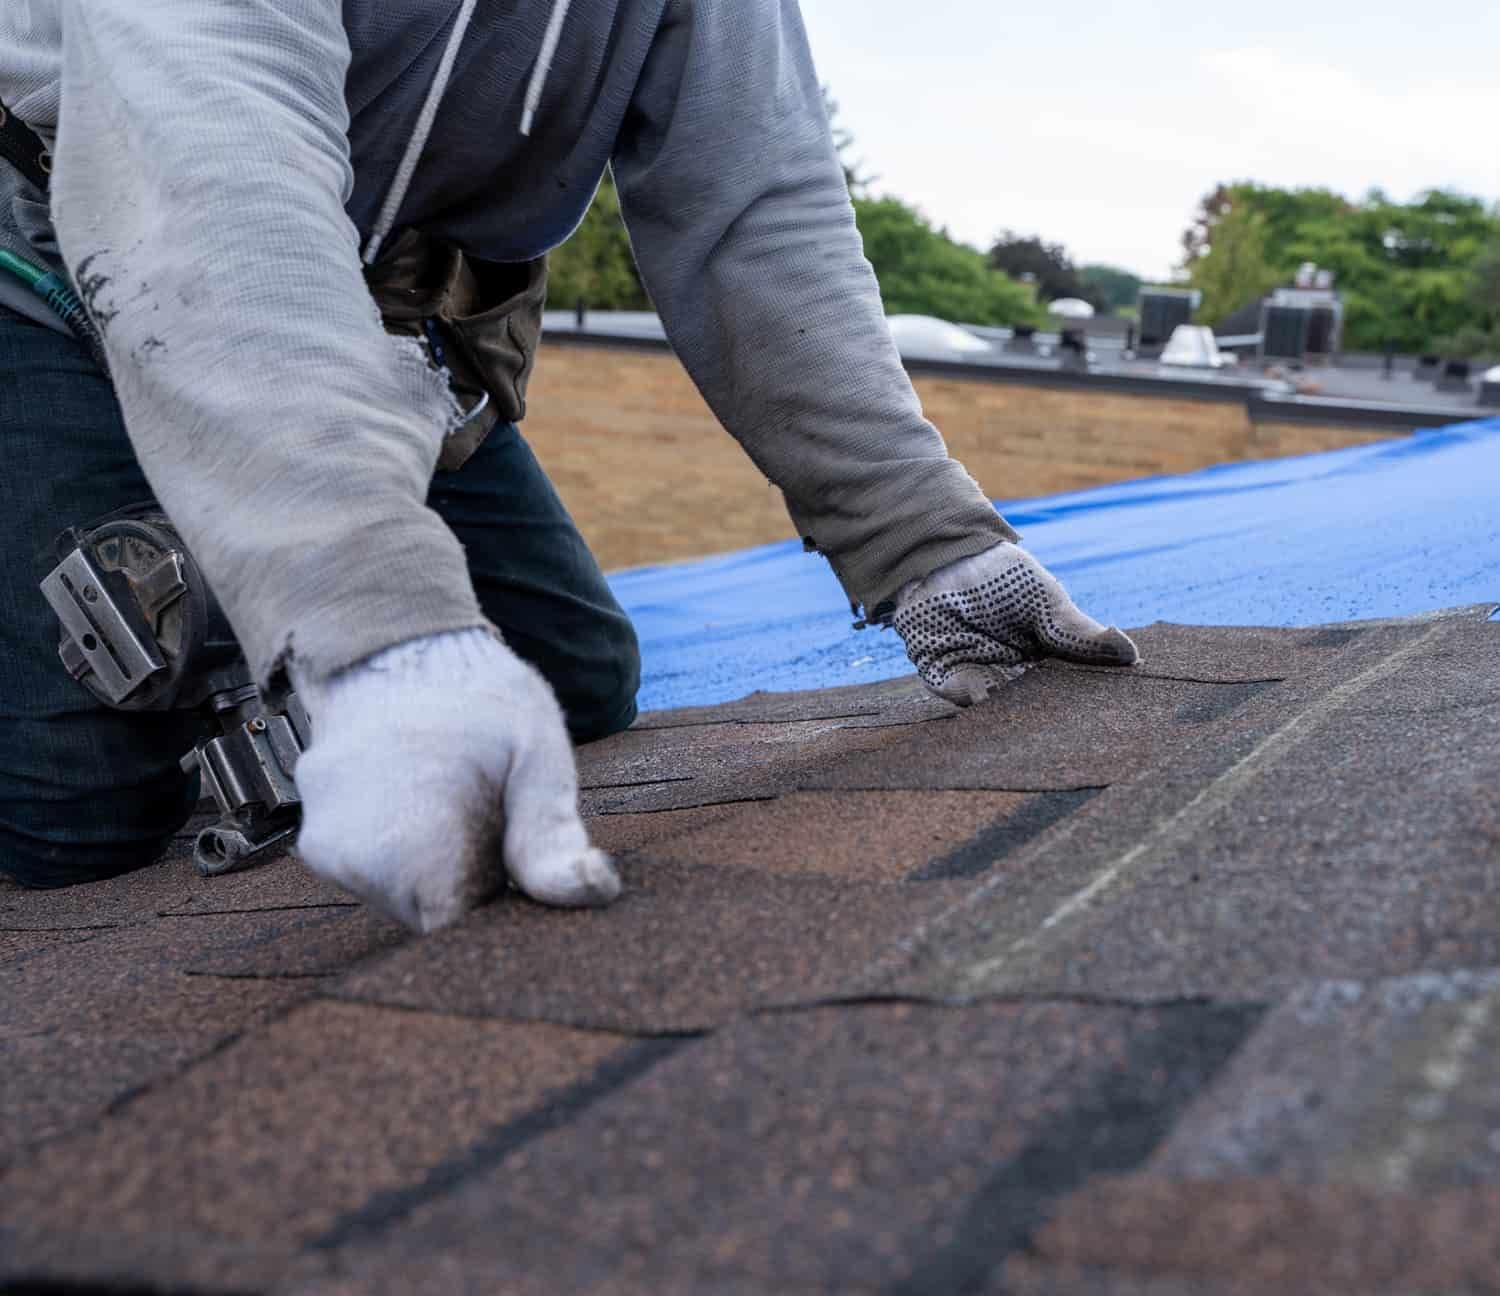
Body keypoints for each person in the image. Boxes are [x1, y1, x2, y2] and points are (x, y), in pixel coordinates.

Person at [0, 1, 1137, 929]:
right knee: (81, 823)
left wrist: (928, 545)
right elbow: (207, 171)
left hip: (370, 307)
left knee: (571, 682)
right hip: (62, 257)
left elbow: (753, 209)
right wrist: (374, 633)